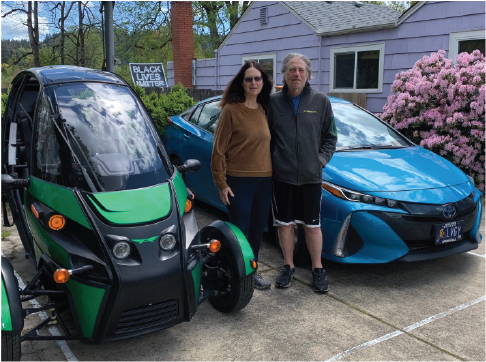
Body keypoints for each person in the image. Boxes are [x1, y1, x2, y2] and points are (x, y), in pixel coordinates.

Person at [267, 53, 337, 293]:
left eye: (301, 70)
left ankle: (318, 269)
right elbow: (266, 139)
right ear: (284, 74)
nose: (296, 74)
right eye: (292, 70)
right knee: (284, 225)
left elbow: (330, 137)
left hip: (311, 178)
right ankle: (288, 265)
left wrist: (320, 160)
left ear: (307, 74)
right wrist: (271, 163)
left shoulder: (321, 101)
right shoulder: (273, 103)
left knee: (312, 226)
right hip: (282, 178)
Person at [211, 61, 273, 290]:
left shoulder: (265, 108)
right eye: (249, 79)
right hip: (238, 180)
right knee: (239, 230)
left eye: (258, 78)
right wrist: (221, 182)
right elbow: (218, 150)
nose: (254, 82)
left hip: (264, 180)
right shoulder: (231, 110)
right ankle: (235, 273)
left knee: (258, 229)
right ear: (242, 82)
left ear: (263, 82)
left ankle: (252, 271)